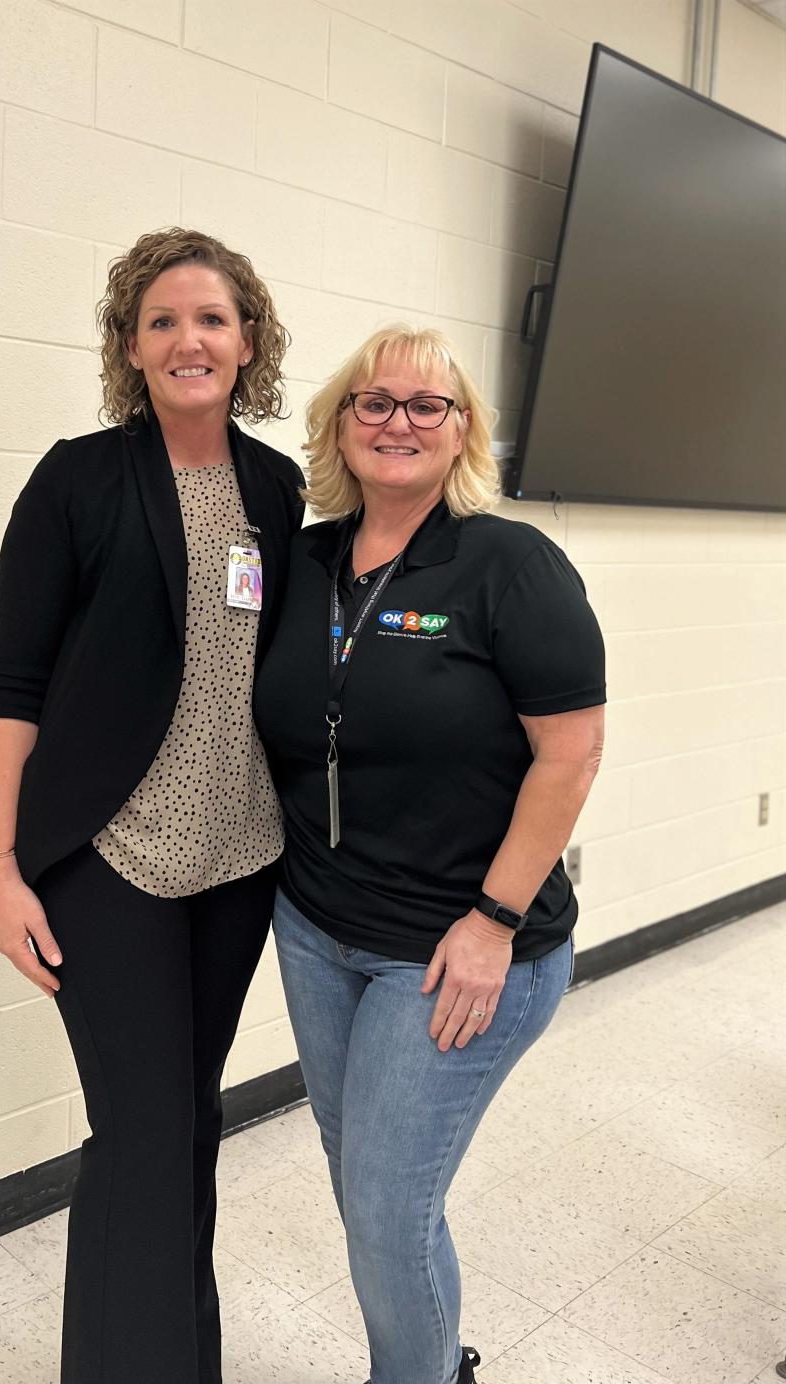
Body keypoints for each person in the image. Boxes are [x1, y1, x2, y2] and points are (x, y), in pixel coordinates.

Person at [0, 227, 303, 1384]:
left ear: (246, 338)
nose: (187, 339)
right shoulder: (78, 477)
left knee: (188, 1126)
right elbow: (13, 683)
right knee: (145, 1132)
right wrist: (5, 867)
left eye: (210, 317)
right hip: (108, 862)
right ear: (130, 346)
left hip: (236, 862)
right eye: (160, 321)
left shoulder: (276, 485)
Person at [254, 326, 606, 1384]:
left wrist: (493, 921)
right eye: (375, 402)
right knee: (359, 1174)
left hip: (459, 945)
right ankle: (435, 1361)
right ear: (338, 423)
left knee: (383, 1200)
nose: (398, 422)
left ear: (462, 435)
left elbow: (573, 751)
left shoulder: (511, 563)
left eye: (427, 405)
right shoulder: (305, 559)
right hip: (319, 926)